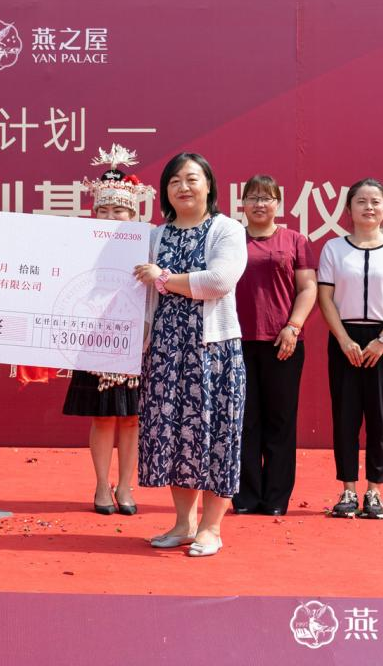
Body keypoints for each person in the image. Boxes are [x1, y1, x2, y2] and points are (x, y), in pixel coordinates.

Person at [133, 152, 247, 557]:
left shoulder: (226, 229)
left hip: (213, 352)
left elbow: (219, 281)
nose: (183, 187)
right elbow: (141, 296)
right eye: (175, 180)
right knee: (176, 435)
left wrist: (164, 278)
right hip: (166, 352)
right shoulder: (155, 236)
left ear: (209, 185)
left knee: (216, 435)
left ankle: (211, 528)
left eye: (192, 179)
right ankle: (184, 523)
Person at [63, 145, 154, 516]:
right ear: (94, 212)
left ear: (133, 213)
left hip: (137, 338)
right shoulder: (79, 244)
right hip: (94, 338)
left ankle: (126, 485)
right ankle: (102, 484)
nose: (112, 216)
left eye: (119, 210)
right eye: (105, 210)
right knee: (102, 416)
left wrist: (148, 332)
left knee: (131, 418)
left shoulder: (149, 242)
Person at [317, 178, 383, 520]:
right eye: (361, 201)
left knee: (380, 415)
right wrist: (343, 339)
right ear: (348, 209)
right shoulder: (333, 248)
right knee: (345, 415)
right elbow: (325, 298)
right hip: (344, 337)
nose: (369, 207)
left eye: (376, 201)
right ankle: (347, 489)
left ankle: (374, 490)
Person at [231, 175, 318, 516]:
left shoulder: (294, 240)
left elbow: (308, 288)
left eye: (266, 198)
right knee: (244, 421)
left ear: (278, 204)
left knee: (280, 421)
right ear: (243, 203)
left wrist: (293, 327)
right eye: (253, 197)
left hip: (283, 342)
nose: (259, 204)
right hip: (237, 342)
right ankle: (245, 496)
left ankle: (276, 498)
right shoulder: (231, 239)